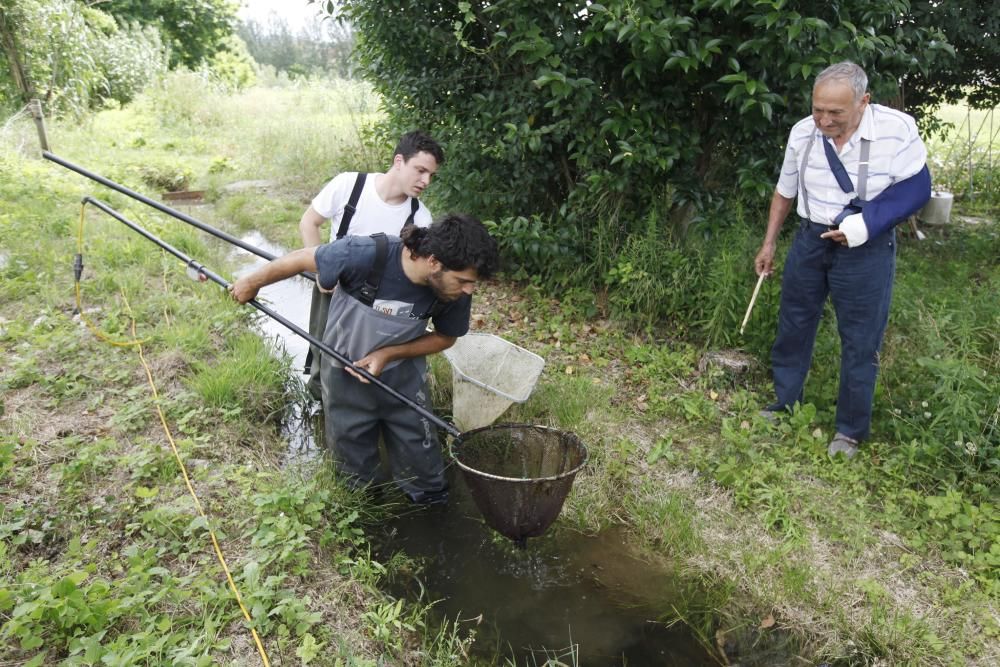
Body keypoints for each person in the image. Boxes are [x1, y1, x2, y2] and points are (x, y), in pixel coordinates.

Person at [230, 214, 500, 503]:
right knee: (354, 470)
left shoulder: (454, 291)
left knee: (424, 465)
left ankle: (429, 505)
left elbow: (446, 337)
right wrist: (251, 282)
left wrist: (388, 353)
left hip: (404, 378)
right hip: (344, 372)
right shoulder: (365, 254)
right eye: (463, 281)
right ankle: (366, 510)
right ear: (433, 262)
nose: (469, 289)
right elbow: (300, 259)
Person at [753, 61, 931, 459]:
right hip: (810, 240)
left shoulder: (897, 130)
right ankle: (785, 404)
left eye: (836, 112)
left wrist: (863, 226)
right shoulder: (803, 132)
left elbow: (918, 187)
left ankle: (849, 430)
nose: (824, 120)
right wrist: (768, 244)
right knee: (794, 322)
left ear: (864, 102)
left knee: (860, 337)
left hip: (865, 249)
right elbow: (784, 192)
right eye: (818, 109)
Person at [300, 131, 445, 398]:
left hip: (375, 304)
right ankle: (321, 408)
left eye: (431, 175)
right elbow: (309, 222)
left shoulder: (420, 218)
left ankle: (360, 411)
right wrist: (320, 272)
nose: (426, 181)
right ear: (399, 161)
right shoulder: (349, 184)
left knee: (364, 365)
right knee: (323, 353)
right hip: (332, 288)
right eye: (421, 170)